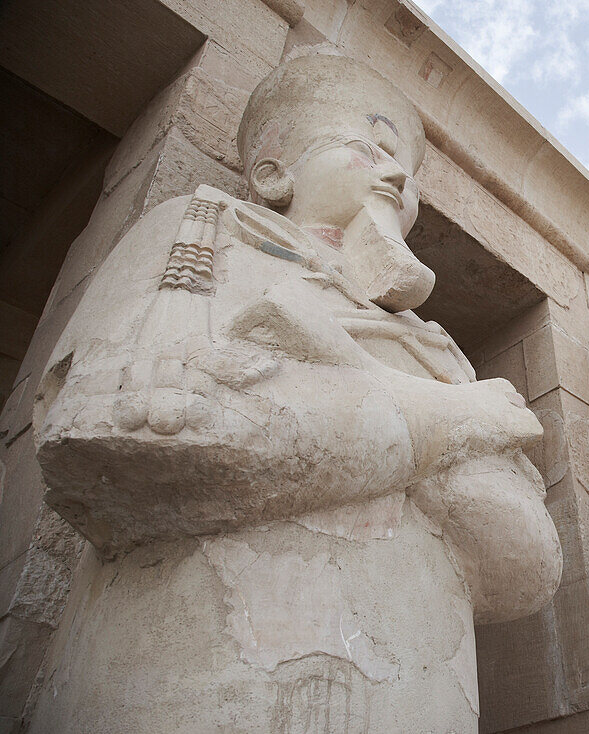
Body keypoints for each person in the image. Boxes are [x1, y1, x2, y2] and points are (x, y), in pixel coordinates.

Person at [31, 52, 560, 733]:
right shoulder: (200, 238)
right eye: (368, 148)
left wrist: (372, 421)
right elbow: (118, 428)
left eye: (408, 174)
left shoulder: (436, 346)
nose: (398, 176)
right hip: (196, 684)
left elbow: (527, 568)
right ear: (273, 172)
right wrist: (448, 422)